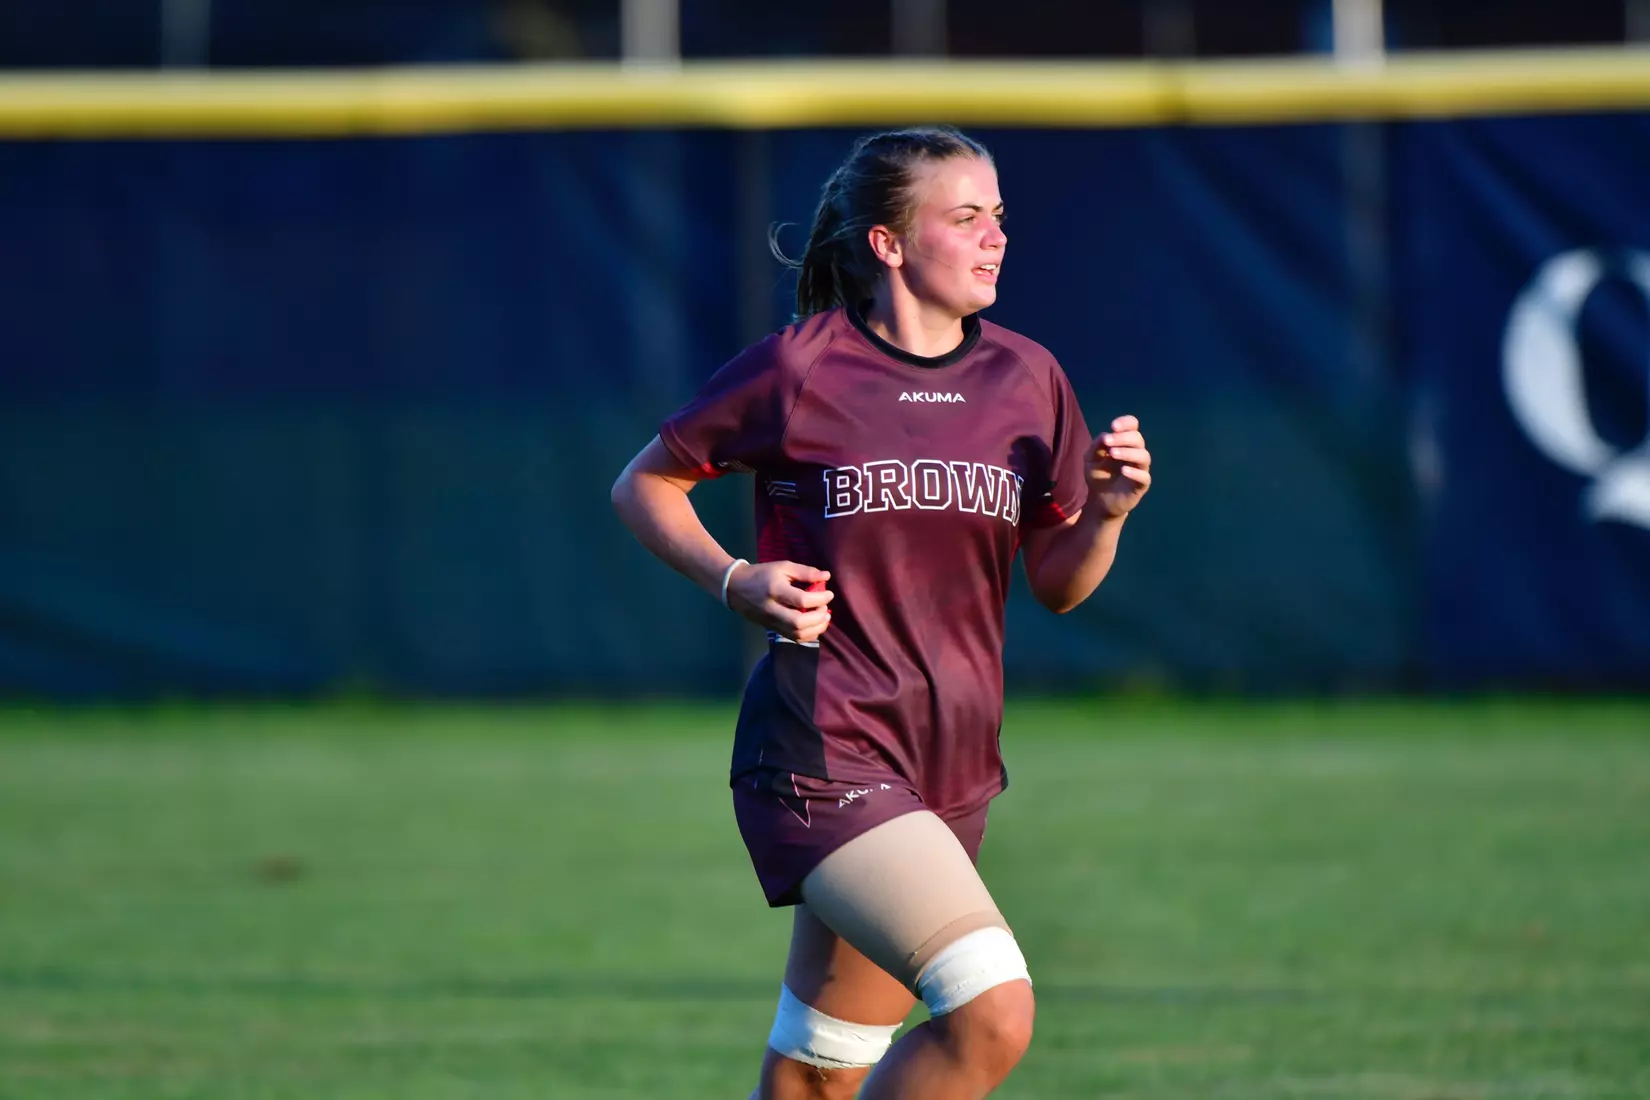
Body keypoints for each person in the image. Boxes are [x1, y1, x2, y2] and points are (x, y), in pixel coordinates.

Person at [610, 127, 1152, 1100]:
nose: (995, 238)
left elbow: (1058, 583)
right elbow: (644, 483)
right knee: (992, 1009)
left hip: (951, 767)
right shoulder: (801, 369)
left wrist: (1107, 513)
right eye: (966, 217)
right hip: (822, 751)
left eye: (998, 217)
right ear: (889, 244)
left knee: (818, 1074)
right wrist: (735, 578)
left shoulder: (1028, 378)